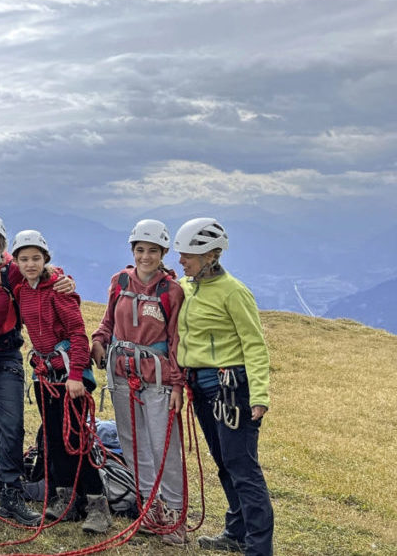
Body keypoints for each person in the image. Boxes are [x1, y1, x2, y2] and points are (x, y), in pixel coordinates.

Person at [0, 214, 74, 527]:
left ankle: (12, 491)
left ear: (2, 244)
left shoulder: (15, 272)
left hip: (5, 355)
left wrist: (64, 278)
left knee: (12, 423)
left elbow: (41, 275)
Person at [174, 218, 273, 555]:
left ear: (211, 255)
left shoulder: (234, 292)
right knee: (224, 461)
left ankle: (259, 548)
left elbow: (255, 345)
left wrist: (259, 395)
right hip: (201, 388)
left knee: (242, 467)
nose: (181, 260)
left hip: (231, 389)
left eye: (188, 255)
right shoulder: (186, 287)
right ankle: (236, 532)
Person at [91, 219, 186, 546]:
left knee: (165, 447)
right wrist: (98, 341)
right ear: (133, 250)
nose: (145, 256)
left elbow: (176, 341)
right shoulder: (119, 281)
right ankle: (148, 509)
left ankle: (174, 516)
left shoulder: (171, 291)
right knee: (133, 445)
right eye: (140, 249)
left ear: (163, 253)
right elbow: (107, 321)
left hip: (157, 378)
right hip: (121, 375)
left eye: (153, 250)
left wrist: (177, 385)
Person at [12, 229, 112, 534]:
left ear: (46, 260)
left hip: (69, 376)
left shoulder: (58, 289)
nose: (30, 264)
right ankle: (66, 501)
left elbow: (78, 335)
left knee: (77, 439)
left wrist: (76, 376)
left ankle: (98, 507)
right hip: (45, 375)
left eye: (36, 258)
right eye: (24, 259)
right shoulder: (21, 291)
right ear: (15, 261)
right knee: (54, 439)